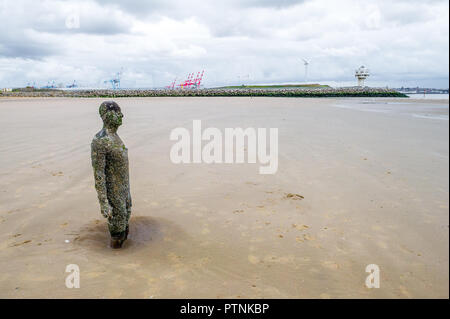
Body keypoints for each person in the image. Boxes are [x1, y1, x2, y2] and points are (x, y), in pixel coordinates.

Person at [91, 101, 132, 248]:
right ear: (108, 116)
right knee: (117, 233)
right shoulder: (100, 141)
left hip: (124, 193)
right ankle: (113, 261)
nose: (121, 115)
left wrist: (127, 195)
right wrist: (104, 203)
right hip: (114, 196)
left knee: (125, 228)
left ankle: (124, 260)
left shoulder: (115, 137)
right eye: (117, 112)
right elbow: (99, 173)